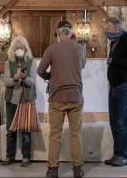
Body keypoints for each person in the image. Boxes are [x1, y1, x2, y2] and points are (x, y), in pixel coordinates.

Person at [37, 21, 86, 178]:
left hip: (57, 96)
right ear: (72, 33)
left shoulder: (52, 49)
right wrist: (76, 44)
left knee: (55, 134)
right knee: (76, 134)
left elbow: (40, 70)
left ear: (58, 34)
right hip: (76, 96)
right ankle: (77, 169)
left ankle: (53, 169)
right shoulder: (80, 49)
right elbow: (81, 65)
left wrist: (51, 76)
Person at [104, 18, 127, 167]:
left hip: (124, 86)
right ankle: (117, 153)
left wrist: (113, 61)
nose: (107, 32)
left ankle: (124, 156)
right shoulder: (115, 41)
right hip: (114, 85)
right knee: (114, 121)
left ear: (116, 29)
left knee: (123, 121)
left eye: (108, 29)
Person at [2, 36, 36, 167]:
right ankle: (9, 156)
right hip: (11, 100)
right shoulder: (8, 63)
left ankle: (26, 157)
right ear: (13, 50)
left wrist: (25, 77)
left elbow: (32, 82)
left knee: (25, 130)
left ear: (26, 49)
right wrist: (15, 79)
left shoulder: (32, 62)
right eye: (17, 48)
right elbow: (6, 81)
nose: (19, 50)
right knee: (10, 129)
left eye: (21, 48)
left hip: (26, 99)